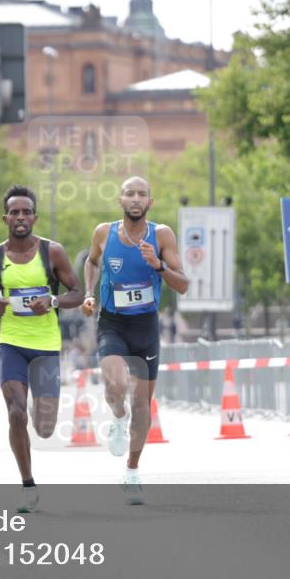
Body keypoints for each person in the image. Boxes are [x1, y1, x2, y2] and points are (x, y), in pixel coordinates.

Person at [0, 184, 84, 513]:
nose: (20, 217)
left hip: (46, 346)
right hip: (12, 345)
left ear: (35, 216)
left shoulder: (53, 252)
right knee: (16, 412)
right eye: (14, 212)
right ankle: (28, 484)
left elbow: (77, 293)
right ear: (5, 218)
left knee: (44, 428)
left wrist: (53, 300)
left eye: (26, 212)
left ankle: (40, 420)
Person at [81, 176, 189, 504]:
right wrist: (88, 294)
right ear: (121, 200)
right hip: (113, 323)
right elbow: (92, 261)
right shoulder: (104, 232)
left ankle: (132, 469)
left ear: (150, 203)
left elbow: (182, 284)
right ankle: (117, 416)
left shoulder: (162, 235)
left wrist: (157, 266)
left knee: (143, 404)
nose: (136, 198)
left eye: (142, 194)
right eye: (130, 193)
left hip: (145, 325)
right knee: (115, 386)